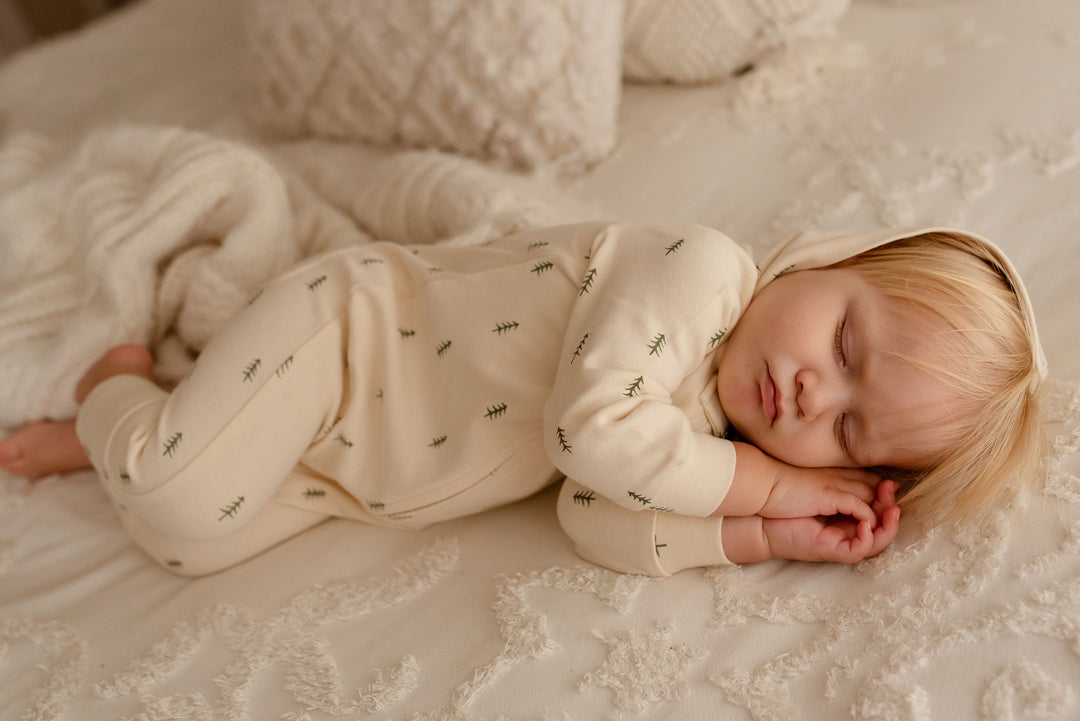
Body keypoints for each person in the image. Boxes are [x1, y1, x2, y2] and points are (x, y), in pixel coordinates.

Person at [0, 222, 1046, 577]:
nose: (814, 389)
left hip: (358, 463)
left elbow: (594, 515)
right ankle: (113, 385)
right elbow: (590, 434)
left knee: (183, 542)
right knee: (174, 492)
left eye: (848, 428)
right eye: (847, 342)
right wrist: (765, 481)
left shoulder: (699, 437)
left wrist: (761, 534)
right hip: (347, 336)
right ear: (834, 257)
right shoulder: (699, 271)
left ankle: (154, 419)